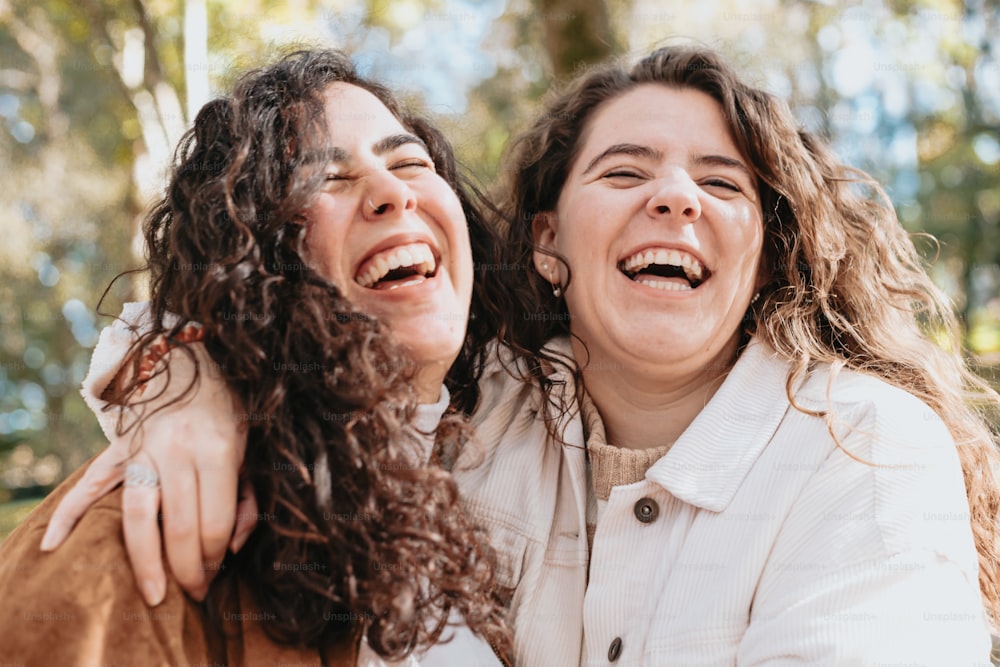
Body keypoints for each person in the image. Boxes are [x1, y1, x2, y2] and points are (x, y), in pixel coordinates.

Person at [43, 44, 1000, 665]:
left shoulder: (867, 449)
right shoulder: (481, 409)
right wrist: (187, 375)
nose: (676, 199)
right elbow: (305, 330)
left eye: (724, 183)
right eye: (624, 171)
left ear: (768, 256)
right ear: (547, 241)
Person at [0, 49, 510, 666]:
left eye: (409, 162)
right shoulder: (134, 532)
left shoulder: (462, 493)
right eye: (327, 178)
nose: (392, 192)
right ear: (253, 259)